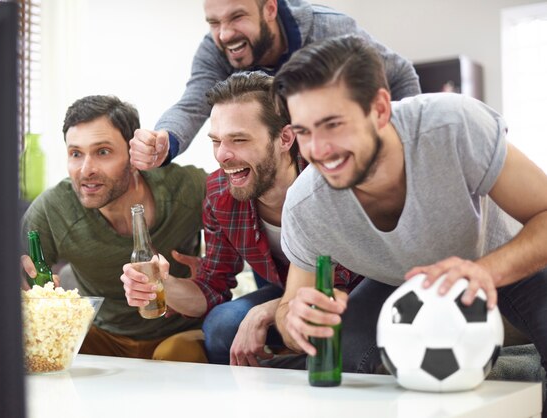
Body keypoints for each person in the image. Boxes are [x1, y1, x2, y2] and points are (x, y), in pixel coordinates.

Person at [271, 36, 547, 411]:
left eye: (333, 125)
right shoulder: (307, 206)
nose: (318, 150)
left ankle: (524, 377)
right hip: (400, 282)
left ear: (380, 109)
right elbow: (290, 308)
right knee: (350, 355)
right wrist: (295, 321)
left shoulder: (454, 125)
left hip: (504, 258)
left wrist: (483, 271)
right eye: (303, 132)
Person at [121, 71, 361, 367]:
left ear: (285, 138)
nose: (222, 155)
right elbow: (211, 288)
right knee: (221, 325)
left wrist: (265, 312)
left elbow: (343, 284)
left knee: (337, 334)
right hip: (288, 290)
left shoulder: (327, 183)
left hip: (353, 293)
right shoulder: (220, 194)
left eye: (239, 139)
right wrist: (161, 284)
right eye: (216, 141)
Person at [21, 95, 208, 363]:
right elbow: (15, 279)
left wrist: (212, 269)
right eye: (76, 154)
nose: (86, 170)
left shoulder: (186, 188)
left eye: (103, 152)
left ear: (134, 157)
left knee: (177, 353)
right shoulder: (54, 210)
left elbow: (244, 227)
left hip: (179, 333)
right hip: (103, 336)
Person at [129, 0, 421, 171]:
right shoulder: (214, 49)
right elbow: (194, 101)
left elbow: (401, 74)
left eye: (237, 16)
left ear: (269, 8)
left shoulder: (329, 29)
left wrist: (403, 150)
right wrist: (165, 139)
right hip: (277, 178)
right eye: (214, 22)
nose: (226, 33)